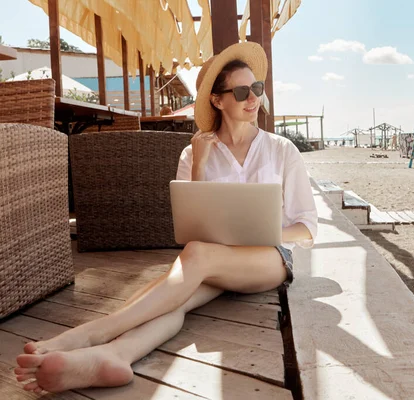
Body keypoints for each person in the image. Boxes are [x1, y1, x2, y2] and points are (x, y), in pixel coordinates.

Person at [13, 42, 318, 394]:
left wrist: (266, 231)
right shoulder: (193, 153)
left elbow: (306, 227)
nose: (253, 98)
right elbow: (194, 227)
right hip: (211, 260)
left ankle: (92, 333)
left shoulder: (282, 150)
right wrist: (201, 163)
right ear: (218, 100)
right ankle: (116, 355)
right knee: (179, 296)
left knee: (194, 261)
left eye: (257, 89)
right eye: (241, 90)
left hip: (269, 258)